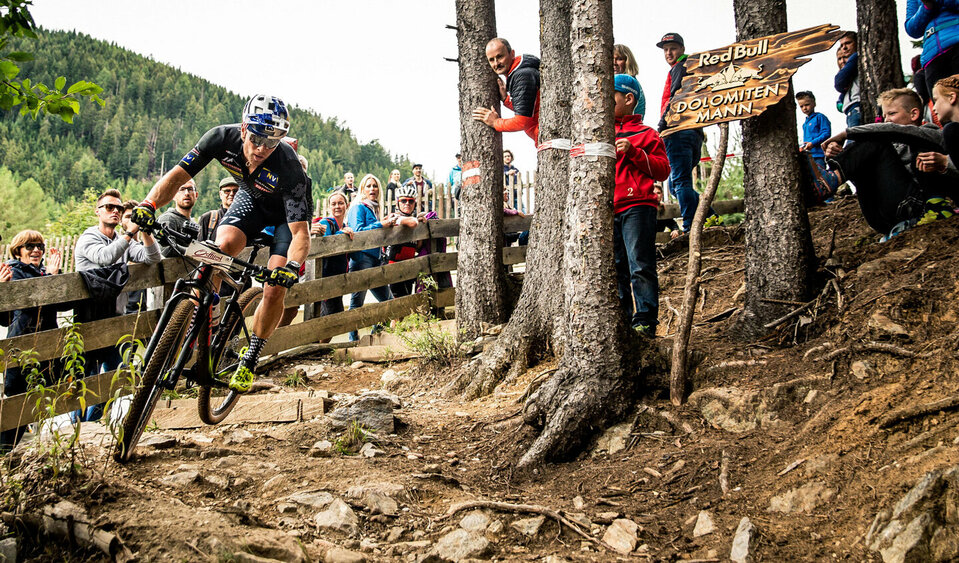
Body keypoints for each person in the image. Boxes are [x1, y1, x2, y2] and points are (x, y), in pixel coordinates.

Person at [132, 94, 312, 393]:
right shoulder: (219, 137)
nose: (262, 149)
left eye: (272, 142)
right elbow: (177, 176)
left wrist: (292, 266)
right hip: (251, 199)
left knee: (275, 285)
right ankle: (203, 313)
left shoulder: (290, 167)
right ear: (243, 129)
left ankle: (251, 355)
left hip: (285, 218)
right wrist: (149, 204)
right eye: (256, 139)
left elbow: (300, 234)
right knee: (221, 245)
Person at [820, 88, 959, 237]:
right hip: (880, 216)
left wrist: (847, 133)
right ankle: (829, 180)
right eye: (884, 115)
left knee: (875, 139)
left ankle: (831, 179)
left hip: (916, 204)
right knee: (866, 153)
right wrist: (837, 155)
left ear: (914, 114)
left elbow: (891, 130)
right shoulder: (885, 150)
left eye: (892, 114)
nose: (886, 120)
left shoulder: (929, 131)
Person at [76, 189, 162, 420]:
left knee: (116, 378)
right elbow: (105, 257)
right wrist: (130, 232)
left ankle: (92, 423)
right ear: (98, 211)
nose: (115, 211)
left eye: (119, 208)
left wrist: (144, 232)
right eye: (109, 207)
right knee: (88, 382)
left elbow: (154, 258)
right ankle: (79, 426)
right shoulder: (89, 238)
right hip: (89, 318)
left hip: (116, 317)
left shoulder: (121, 240)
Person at [613, 74, 671, 336]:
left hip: (638, 206)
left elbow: (662, 170)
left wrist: (633, 152)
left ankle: (645, 319)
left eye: (610, 94)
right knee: (616, 267)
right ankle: (623, 322)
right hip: (608, 210)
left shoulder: (647, 133)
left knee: (640, 264)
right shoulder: (600, 132)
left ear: (628, 98)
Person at [0, 230, 66, 452]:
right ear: (18, 251)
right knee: (16, 403)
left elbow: (61, 304)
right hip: (21, 348)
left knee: (41, 398)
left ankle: (32, 450)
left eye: (40, 246)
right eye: (30, 246)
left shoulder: (43, 272)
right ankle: (4, 451)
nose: (36, 250)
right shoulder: (14, 272)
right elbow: (8, 317)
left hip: (46, 346)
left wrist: (53, 277)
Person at [656, 32, 714, 232]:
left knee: (680, 182)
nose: (668, 53)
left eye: (672, 48)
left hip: (678, 130)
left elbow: (675, 97)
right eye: (665, 50)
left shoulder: (681, 67)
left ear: (681, 49)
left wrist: (662, 124)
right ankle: (711, 215)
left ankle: (690, 227)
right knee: (675, 185)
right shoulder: (689, 68)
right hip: (693, 131)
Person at [345, 173, 396, 341]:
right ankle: (353, 341)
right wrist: (380, 224)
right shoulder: (358, 207)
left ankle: (374, 336)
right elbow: (358, 231)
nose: (372, 189)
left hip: (375, 259)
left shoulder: (373, 209)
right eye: (368, 186)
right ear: (362, 189)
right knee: (357, 302)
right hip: (361, 258)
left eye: (375, 186)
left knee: (388, 302)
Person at [472, 37, 541, 143]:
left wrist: (495, 122)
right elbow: (530, 108)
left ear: (512, 54)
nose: (496, 63)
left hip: (550, 138)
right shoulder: (520, 72)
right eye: (491, 60)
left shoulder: (522, 75)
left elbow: (522, 121)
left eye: (500, 56)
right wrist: (506, 99)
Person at [906, 1, 959, 105]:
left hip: (957, 43)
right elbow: (912, 29)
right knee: (943, 107)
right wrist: (926, 6)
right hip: (932, 57)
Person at [312, 190, 354, 318]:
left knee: (334, 318)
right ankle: (315, 339)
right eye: (334, 204)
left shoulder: (345, 226)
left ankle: (317, 339)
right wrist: (343, 235)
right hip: (325, 277)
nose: (337, 207)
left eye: (340, 203)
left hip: (337, 278)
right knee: (330, 318)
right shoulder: (327, 223)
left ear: (347, 205)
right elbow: (326, 247)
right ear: (329, 206)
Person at [384, 184, 426, 297]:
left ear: (415, 204)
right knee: (395, 301)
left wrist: (420, 230)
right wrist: (417, 221)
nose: (407, 203)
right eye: (403, 201)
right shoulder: (393, 217)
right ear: (398, 203)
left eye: (411, 201)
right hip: (393, 267)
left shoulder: (414, 221)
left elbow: (417, 247)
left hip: (409, 266)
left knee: (407, 299)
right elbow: (412, 223)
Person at [157, 179, 200, 257]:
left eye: (190, 189)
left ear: (196, 195)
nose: (186, 193)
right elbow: (166, 250)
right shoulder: (168, 219)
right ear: (173, 195)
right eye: (182, 189)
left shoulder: (194, 224)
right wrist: (193, 253)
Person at [796, 91, 832, 170]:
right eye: (801, 106)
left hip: (819, 155)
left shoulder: (820, 117)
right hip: (808, 156)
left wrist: (813, 143)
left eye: (807, 105)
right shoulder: (805, 124)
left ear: (814, 103)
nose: (804, 108)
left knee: (820, 177)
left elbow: (826, 133)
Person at [834, 31, 861, 128]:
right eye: (842, 45)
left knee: (854, 139)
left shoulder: (856, 57)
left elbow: (839, 83)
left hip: (856, 105)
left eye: (848, 43)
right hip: (851, 108)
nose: (844, 47)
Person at [613, 44, 647, 120]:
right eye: (610, 58)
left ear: (628, 62)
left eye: (619, 59)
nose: (614, 62)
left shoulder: (633, 85)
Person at [199, 177, 238, 242]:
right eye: (227, 191)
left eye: (235, 191)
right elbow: (198, 248)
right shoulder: (208, 218)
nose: (231, 194)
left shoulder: (247, 219)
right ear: (220, 194)